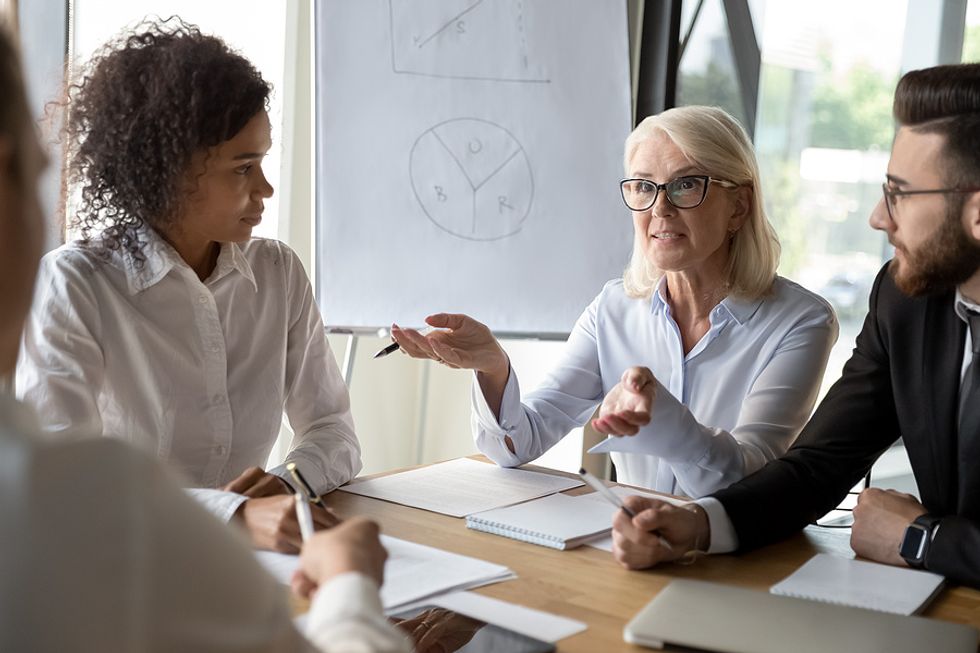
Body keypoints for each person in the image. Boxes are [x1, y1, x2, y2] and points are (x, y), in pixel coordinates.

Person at [0, 21, 411, 653]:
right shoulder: (76, 284)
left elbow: (333, 433)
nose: (265, 190)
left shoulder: (277, 272)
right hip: (128, 596)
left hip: (277, 572)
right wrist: (236, 516)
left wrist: (286, 485)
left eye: (264, 161)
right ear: (164, 171)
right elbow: (65, 488)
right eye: (243, 168)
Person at [610, 63, 980, 590]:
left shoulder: (813, 315)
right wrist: (698, 523)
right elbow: (817, 466)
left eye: (899, 193)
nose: (878, 216)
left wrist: (921, 539)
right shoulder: (906, 300)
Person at [392, 106, 838, 497]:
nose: (660, 208)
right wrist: (492, 368)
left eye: (685, 185)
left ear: (739, 207)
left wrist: (664, 417)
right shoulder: (614, 309)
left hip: (735, 560)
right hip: (630, 549)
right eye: (643, 186)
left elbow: (747, 480)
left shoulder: (801, 323)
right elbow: (518, 446)